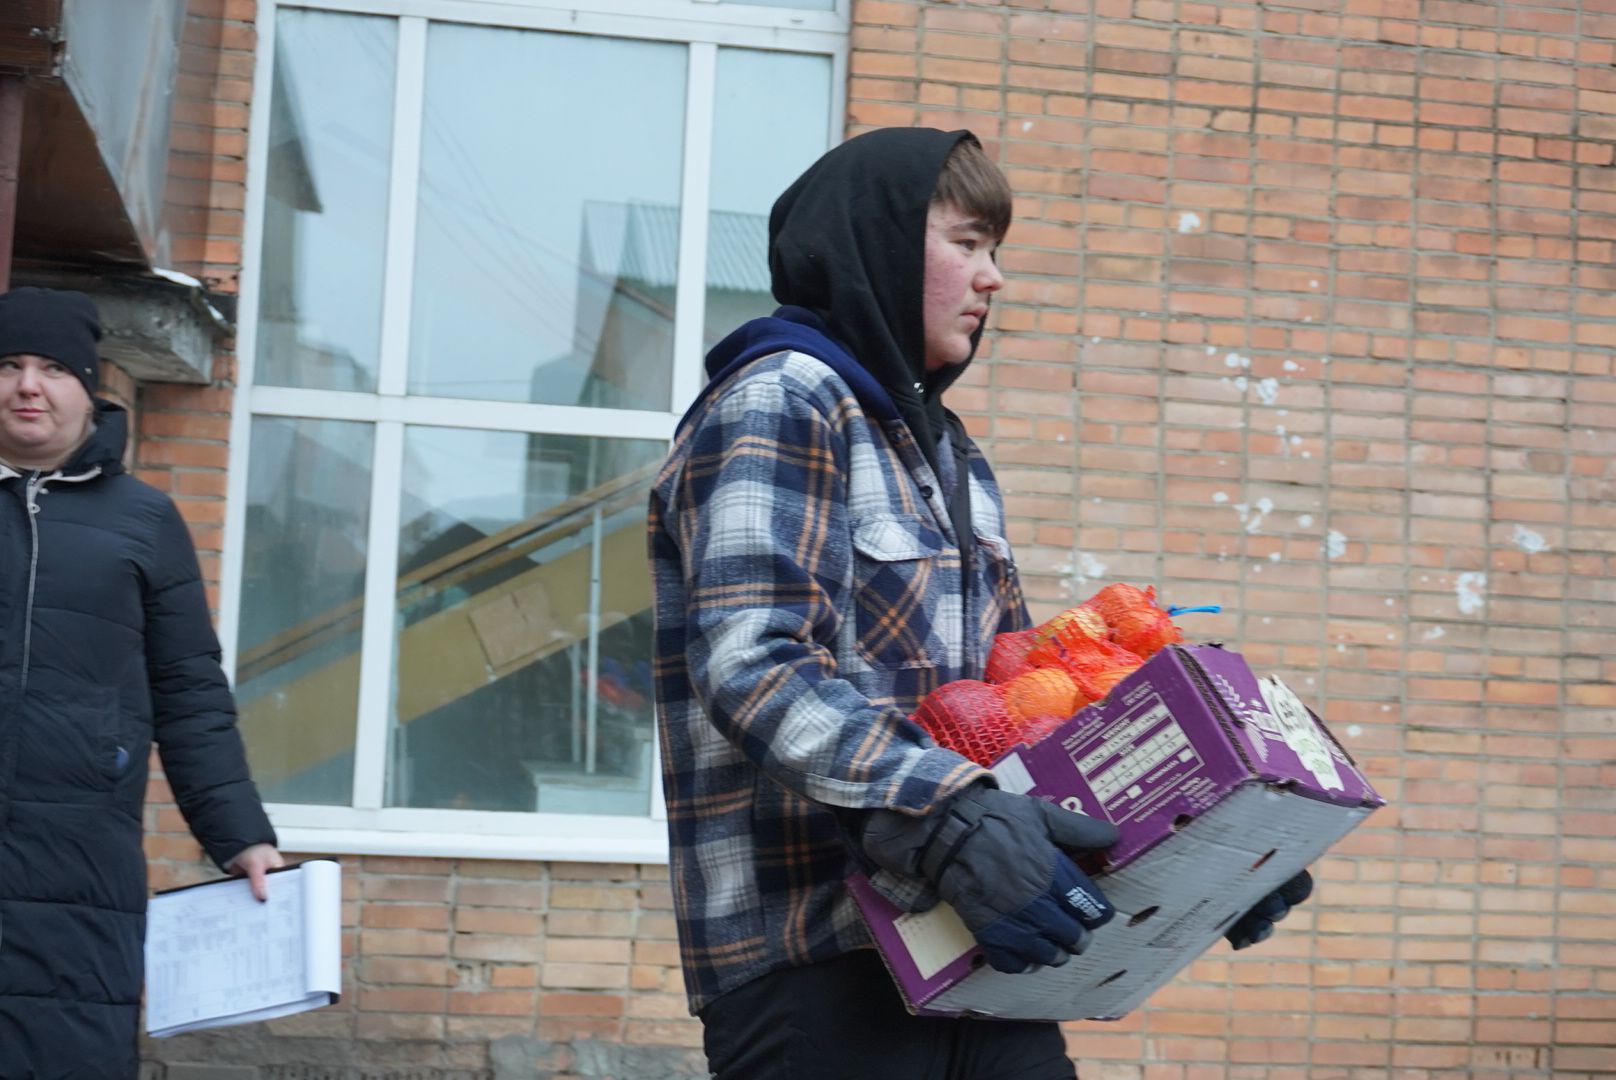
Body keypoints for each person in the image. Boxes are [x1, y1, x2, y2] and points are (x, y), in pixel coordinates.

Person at [650, 128, 1308, 1080]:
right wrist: (947, 816)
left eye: (994, 249)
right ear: (874, 247)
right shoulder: (783, 399)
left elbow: (1018, 708)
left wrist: (1197, 840)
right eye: (966, 243)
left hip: (979, 947)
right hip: (819, 960)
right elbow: (754, 663)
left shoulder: (953, 457)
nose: (992, 277)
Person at [0, 286, 282, 1079]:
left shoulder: (145, 522)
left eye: (54, 368)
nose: (28, 385)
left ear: (89, 388)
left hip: (79, 866)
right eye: (9, 364)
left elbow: (189, 693)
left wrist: (240, 836)